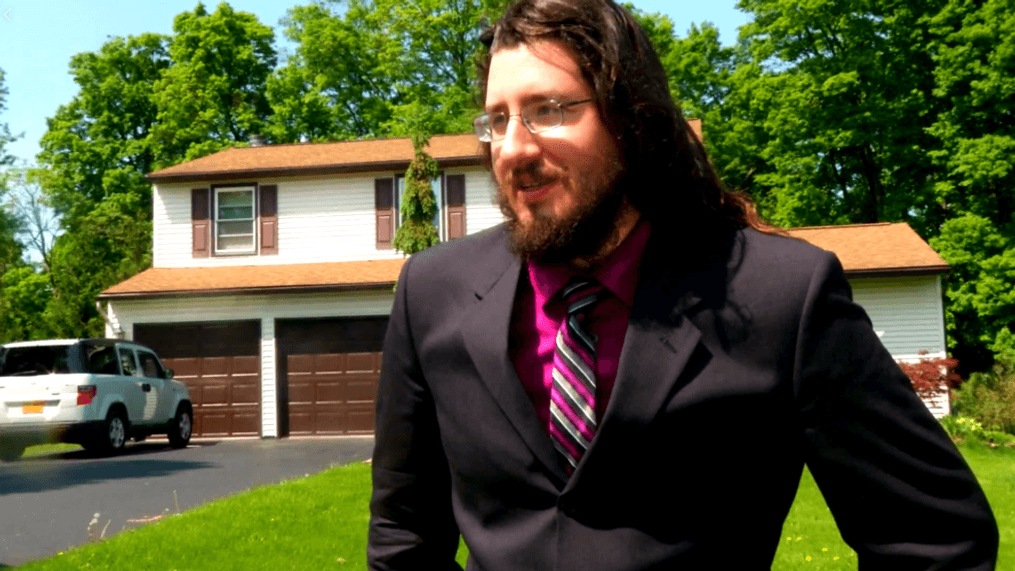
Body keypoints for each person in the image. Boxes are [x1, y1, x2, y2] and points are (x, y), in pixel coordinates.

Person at [367, 0, 999, 568]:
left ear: (629, 119)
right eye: (496, 120)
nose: (512, 147)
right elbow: (404, 536)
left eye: (548, 111)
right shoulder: (433, 292)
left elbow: (936, 537)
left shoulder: (782, 297)